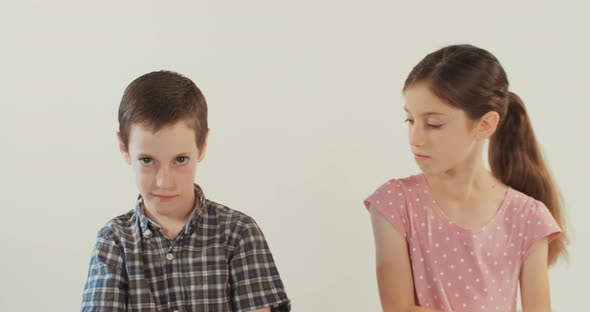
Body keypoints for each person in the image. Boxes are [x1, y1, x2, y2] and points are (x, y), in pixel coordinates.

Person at [364, 44, 567, 312]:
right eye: (410, 121)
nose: (415, 139)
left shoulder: (528, 216)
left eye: (434, 124)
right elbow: (399, 308)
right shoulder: (395, 203)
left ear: (485, 125)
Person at [81, 70, 290, 312]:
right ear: (123, 148)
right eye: (147, 160)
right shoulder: (114, 241)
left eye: (180, 159)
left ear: (202, 146)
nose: (164, 182)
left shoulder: (239, 234)